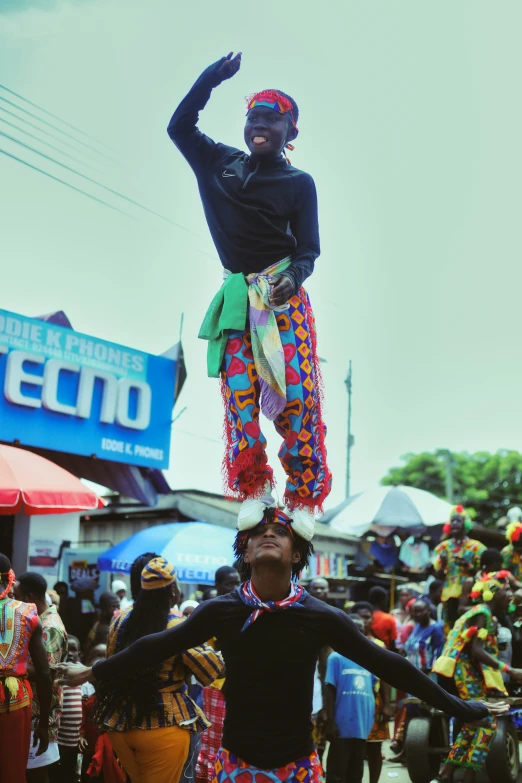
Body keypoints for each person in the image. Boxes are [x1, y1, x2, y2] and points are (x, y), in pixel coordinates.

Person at [58, 510, 507, 783]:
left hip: (298, 764)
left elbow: (386, 663)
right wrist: (91, 673)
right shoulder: (222, 611)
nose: (269, 534)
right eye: (259, 533)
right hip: (237, 762)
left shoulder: (321, 615)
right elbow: (157, 645)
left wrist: (458, 705)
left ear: (295, 554)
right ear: (247, 552)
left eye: (282, 532)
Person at [167, 52, 332, 541]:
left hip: (283, 300)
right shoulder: (217, 162)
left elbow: (309, 250)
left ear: (290, 131)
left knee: (297, 397)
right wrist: (211, 79)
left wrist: (294, 278)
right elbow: (179, 126)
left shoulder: (300, 183)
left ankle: (303, 494)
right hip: (238, 298)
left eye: (271, 118)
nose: (259, 124)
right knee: (240, 399)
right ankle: (255, 488)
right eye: (253, 117)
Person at [94, 557, 223, 783]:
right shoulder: (177, 625)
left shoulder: (119, 619)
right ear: (173, 589)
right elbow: (210, 671)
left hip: (120, 725)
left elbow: (112, 665)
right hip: (162, 727)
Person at [433, 571, 522, 782]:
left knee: (474, 721)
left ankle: (450, 773)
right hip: (461, 671)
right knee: (487, 723)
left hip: (458, 671)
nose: (509, 593)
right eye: (505, 590)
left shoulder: (482, 612)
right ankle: (466, 774)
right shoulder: (482, 613)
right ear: (491, 594)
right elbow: (476, 651)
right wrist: (510, 671)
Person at [0, 554, 52, 781]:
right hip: (15, 700)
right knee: (11, 771)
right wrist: (43, 724)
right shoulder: (28, 613)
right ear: (10, 577)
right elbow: (44, 672)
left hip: (15, 700)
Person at [15, 571, 68, 783]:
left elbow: (48, 672)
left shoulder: (49, 627)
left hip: (40, 715)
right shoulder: (38, 621)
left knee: (35, 774)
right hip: (32, 712)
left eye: (16, 596)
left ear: (28, 598)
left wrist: (10, 667)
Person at [196, 565, 240, 783]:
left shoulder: (244, 609)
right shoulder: (211, 612)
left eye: (237, 582)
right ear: (217, 586)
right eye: (229, 584)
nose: (235, 587)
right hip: (217, 688)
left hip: (241, 686)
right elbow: (210, 655)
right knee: (214, 744)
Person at [390, 600, 445, 762]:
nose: (417, 615)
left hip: (426, 677)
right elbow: (408, 649)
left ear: (428, 611)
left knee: (426, 713)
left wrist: (424, 671)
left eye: (420, 611)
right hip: (412, 677)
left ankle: (425, 752)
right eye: (414, 612)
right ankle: (406, 751)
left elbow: (439, 655)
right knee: (411, 712)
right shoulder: (417, 627)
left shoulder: (435, 629)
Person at [324, 615, 377, 783]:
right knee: (337, 772)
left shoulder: (369, 658)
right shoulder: (336, 658)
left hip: (362, 724)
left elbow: (372, 688)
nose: (358, 634)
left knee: (356, 772)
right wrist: (330, 722)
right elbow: (329, 690)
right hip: (341, 725)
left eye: (361, 630)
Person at [350, 602, 392, 783]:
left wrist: (388, 704)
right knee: (354, 750)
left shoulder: (379, 646)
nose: (363, 621)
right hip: (350, 703)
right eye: (359, 617)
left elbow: (386, 677)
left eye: (367, 617)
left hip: (374, 703)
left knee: (374, 749)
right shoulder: (342, 646)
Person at [432, 505, 486, 629]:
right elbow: (438, 576)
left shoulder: (477, 547)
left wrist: (468, 566)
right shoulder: (442, 548)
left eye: (458, 520)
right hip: (448, 596)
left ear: (465, 524)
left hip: (469, 596)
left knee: (468, 628)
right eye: (452, 521)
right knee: (450, 628)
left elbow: (484, 574)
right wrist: (443, 564)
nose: (455, 524)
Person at [60, 577, 98, 649]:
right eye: (90, 591)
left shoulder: (69, 601)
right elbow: (91, 623)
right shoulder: (86, 603)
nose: (93, 594)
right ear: (82, 591)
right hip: (82, 639)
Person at [84, 591, 121, 661]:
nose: (117, 610)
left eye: (118, 606)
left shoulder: (115, 623)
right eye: (113, 607)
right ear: (103, 608)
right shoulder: (103, 628)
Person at [368, 586, 397, 651]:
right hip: (384, 655)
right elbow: (392, 644)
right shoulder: (388, 618)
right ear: (383, 601)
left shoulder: (365, 617)